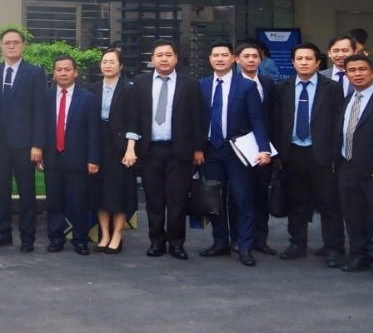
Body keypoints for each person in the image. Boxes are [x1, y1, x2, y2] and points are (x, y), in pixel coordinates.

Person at [270, 42, 344, 267]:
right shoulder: (282, 87)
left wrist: (334, 154)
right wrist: (278, 154)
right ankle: (297, 243)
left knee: (329, 203)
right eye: (299, 59)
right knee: (297, 201)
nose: (304, 63)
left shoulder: (332, 88)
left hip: (322, 154)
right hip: (293, 153)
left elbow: (338, 122)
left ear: (318, 62)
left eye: (308, 59)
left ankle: (334, 247)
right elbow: (276, 122)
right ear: (293, 62)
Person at [198, 40, 270, 267]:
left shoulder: (246, 86)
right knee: (214, 198)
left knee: (242, 198)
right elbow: (195, 120)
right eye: (215, 55)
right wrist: (196, 148)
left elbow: (257, 119)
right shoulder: (201, 85)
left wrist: (264, 148)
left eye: (224, 55)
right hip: (211, 150)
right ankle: (220, 242)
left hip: (238, 150)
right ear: (210, 59)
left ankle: (245, 246)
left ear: (232, 59)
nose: (220, 59)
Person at [133, 39, 203, 261]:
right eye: (159, 55)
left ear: (176, 59)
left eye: (168, 55)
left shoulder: (189, 83)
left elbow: (198, 117)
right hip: (150, 150)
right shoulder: (140, 83)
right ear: (152, 59)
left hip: (179, 151)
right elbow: (134, 117)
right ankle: (156, 241)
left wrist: (198, 148)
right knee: (154, 199)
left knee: (178, 200)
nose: (164, 59)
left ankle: (176, 243)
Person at [0, 28, 47, 252]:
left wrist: (38, 144)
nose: (11, 46)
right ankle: (3, 233)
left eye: (16, 42)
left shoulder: (35, 73)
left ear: (23, 45)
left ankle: (28, 237)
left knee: (26, 191)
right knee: (1, 190)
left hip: (25, 144)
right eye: (7, 43)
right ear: (1, 46)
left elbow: (40, 110)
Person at [335, 53, 373, 278]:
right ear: (346, 74)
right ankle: (360, 254)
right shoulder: (348, 100)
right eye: (352, 70)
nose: (357, 74)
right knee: (354, 215)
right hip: (348, 166)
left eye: (362, 69)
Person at [41, 56, 99, 255]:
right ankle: (56, 238)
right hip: (52, 157)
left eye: (67, 69)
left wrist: (93, 158)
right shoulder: (46, 97)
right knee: (54, 201)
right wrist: (40, 152)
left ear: (76, 72)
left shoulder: (88, 98)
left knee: (79, 201)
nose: (63, 73)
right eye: (59, 69)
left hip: (78, 158)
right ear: (54, 73)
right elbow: (41, 128)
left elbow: (93, 130)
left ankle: (80, 239)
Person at [88, 47, 138, 254]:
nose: (107, 65)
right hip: (98, 146)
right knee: (99, 192)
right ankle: (104, 235)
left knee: (119, 193)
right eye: (104, 62)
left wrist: (130, 149)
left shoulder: (129, 89)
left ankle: (117, 234)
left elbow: (134, 120)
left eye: (112, 62)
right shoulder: (92, 89)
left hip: (120, 148)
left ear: (121, 65)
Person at [234, 40, 277, 255]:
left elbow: (273, 115)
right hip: (238, 148)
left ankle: (261, 239)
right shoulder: (232, 83)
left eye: (255, 57)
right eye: (247, 56)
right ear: (237, 59)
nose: (251, 60)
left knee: (261, 194)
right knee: (240, 196)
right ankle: (239, 239)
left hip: (263, 147)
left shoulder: (267, 83)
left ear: (261, 60)